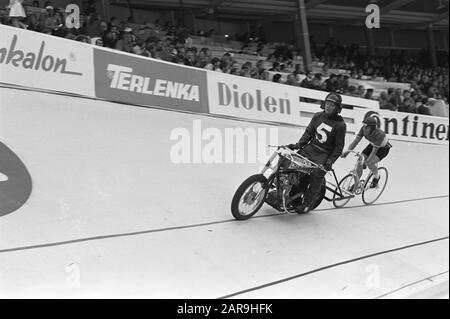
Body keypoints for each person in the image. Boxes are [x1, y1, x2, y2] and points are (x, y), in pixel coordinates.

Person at [287, 92, 347, 213]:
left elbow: (339, 147)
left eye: (332, 105)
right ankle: (290, 193)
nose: (329, 106)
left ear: (337, 108)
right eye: (328, 103)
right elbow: (309, 132)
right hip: (310, 148)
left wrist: (329, 162)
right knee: (290, 162)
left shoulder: (340, 125)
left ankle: (307, 204)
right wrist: (298, 145)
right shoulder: (317, 116)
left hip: (324, 154)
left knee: (317, 175)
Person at [341, 116, 392, 189]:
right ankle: (356, 184)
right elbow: (355, 141)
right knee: (359, 162)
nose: (365, 128)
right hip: (372, 145)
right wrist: (347, 152)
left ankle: (376, 176)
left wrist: (366, 162)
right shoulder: (363, 129)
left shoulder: (380, 134)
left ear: (372, 128)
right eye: (364, 126)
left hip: (383, 149)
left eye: (367, 127)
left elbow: (374, 151)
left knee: (369, 163)